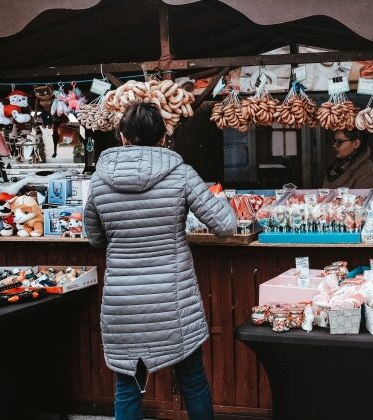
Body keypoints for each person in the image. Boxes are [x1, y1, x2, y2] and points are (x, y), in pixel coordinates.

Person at [84, 102, 237, 420]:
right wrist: (220, 198)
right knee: (193, 383)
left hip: (123, 306)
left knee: (127, 391)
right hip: (173, 304)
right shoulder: (181, 174)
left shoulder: (99, 181)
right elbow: (225, 225)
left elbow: (95, 237)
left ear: (123, 137)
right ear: (163, 138)